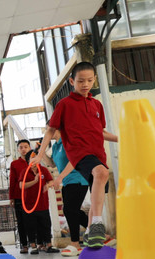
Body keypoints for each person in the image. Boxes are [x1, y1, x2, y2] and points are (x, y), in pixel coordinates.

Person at [32, 61, 118, 249]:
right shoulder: (64, 104)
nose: (85, 84)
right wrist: (39, 155)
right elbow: (50, 130)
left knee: (100, 187)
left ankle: (90, 232)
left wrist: (121, 139)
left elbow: (100, 132)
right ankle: (96, 225)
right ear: (72, 81)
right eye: (80, 81)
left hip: (98, 153)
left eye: (89, 80)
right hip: (80, 152)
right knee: (101, 174)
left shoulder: (96, 105)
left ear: (94, 80)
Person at [50, 132, 89, 256]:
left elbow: (74, 160)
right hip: (67, 182)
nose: (47, 132)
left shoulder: (68, 140)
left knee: (69, 209)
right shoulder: (56, 146)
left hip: (78, 179)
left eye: (48, 129)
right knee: (72, 211)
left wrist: (59, 178)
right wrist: (39, 154)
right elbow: (52, 164)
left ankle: (75, 244)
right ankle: (100, 233)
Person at [21, 152, 57, 254]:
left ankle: (48, 245)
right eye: (32, 158)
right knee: (30, 226)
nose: (34, 160)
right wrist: (35, 181)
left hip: (42, 204)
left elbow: (51, 181)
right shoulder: (25, 171)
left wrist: (48, 185)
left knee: (45, 224)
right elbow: (21, 185)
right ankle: (33, 246)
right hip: (29, 205)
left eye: (36, 157)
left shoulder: (43, 170)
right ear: (28, 160)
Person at [8, 139, 32, 254]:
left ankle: (38, 243)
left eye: (26, 147)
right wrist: (11, 197)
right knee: (21, 222)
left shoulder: (34, 162)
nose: (23, 149)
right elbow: (12, 181)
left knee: (34, 220)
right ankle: (24, 245)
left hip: (33, 196)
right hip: (19, 197)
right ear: (18, 149)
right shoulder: (14, 164)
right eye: (21, 147)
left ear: (30, 148)